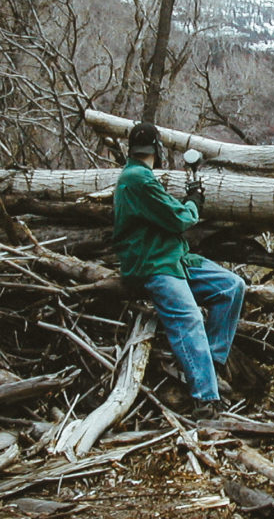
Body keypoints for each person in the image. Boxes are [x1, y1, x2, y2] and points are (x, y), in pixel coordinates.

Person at [113, 122, 245, 420]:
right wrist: (194, 203)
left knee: (231, 287)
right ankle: (206, 401)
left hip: (173, 259)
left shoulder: (141, 177)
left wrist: (188, 200)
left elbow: (166, 211)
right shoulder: (136, 179)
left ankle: (210, 364)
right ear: (157, 150)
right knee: (189, 319)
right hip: (153, 265)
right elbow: (178, 219)